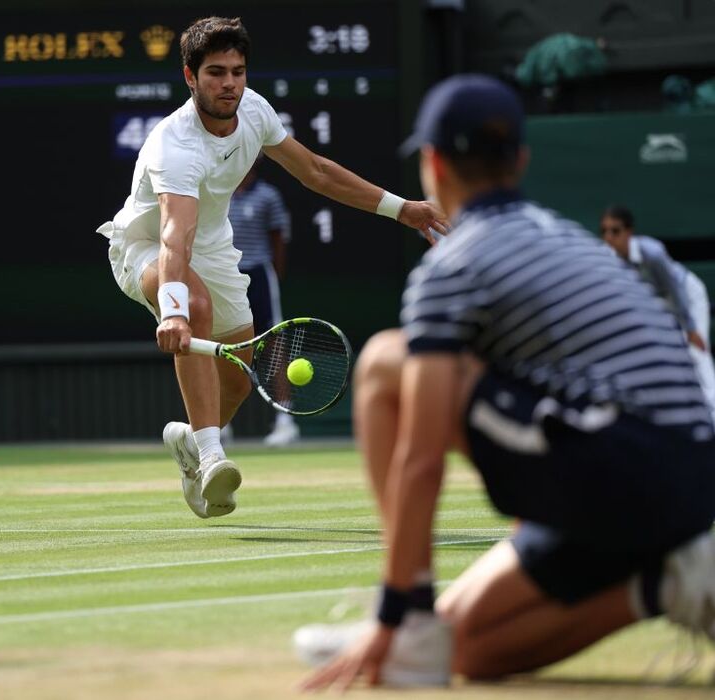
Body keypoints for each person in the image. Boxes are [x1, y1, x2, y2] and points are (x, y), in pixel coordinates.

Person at [297, 74, 715, 690]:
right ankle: (675, 585)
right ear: (520, 159)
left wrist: (394, 609)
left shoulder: (454, 266)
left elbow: (420, 456)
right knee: (471, 651)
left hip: (632, 465)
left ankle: (412, 621)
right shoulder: (573, 242)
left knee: (387, 363)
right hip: (689, 476)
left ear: (432, 164)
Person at [97, 17, 446, 519]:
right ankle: (214, 457)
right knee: (193, 303)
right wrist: (172, 311)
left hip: (214, 249)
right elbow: (176, 236)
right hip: (146, 246)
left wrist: (401, 208)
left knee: (238, 378)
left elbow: (317, 172)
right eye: (215, 72)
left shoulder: (255, 110)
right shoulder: (173, 144)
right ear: (190, 77)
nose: (229, 84)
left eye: (237, 71)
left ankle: (191, 451)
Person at [600, 205, 715, 422]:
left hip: (687, 296)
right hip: (661, 303)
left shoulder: (652, 252)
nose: (609, 237)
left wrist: (690, 328)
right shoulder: (607, 259)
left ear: (629, 232)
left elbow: (675, 289)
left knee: (697, 353)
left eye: (615, 231)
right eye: (604, 231)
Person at [226, 156, 300, 446]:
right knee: (223, 345)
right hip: (226, 276)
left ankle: (285, 421)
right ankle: (220, 425)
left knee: (273, 343)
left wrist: (273, 278)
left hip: (259, 274)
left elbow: (279, 240)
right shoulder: (218, 194)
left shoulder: (269, 196)